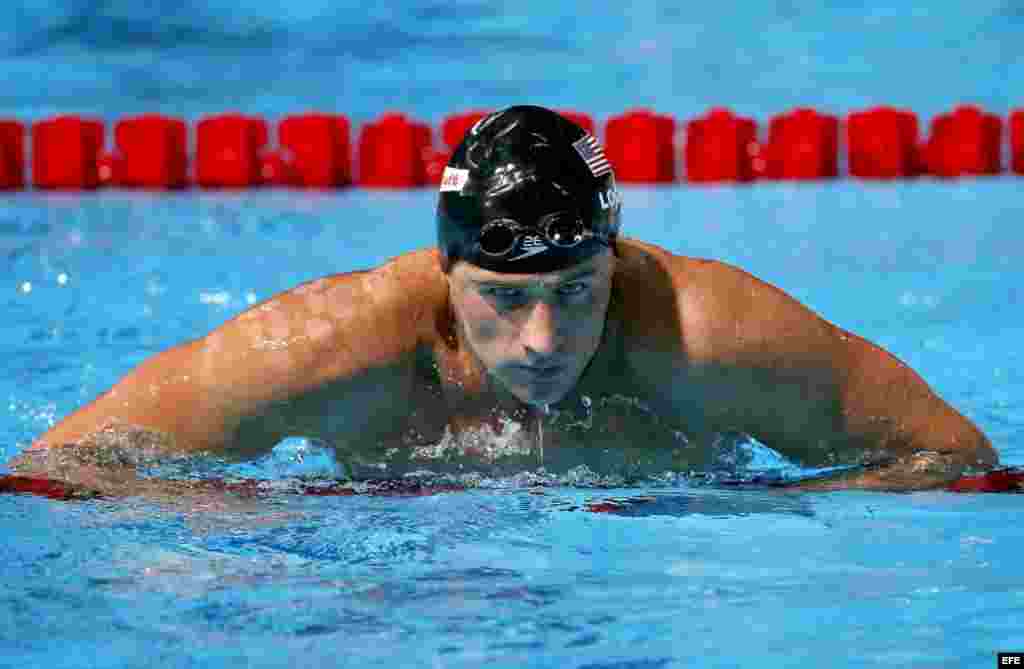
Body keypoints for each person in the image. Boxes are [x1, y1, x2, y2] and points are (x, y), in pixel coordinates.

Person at [14, 105, 997, 491]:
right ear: (445, 275)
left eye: (575, 294)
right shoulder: (332, 343)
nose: (538, 338)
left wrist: (778, 517)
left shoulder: (711, 337)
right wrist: (220, 519)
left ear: (615, 266)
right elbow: (54, 473)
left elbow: (956, 460)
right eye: (499, 298)